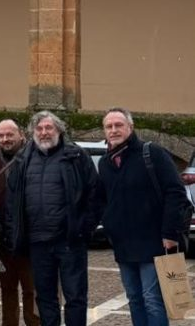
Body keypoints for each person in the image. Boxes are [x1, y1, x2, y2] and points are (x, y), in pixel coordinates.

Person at [5, 111, 102, 326]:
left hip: (69, 241)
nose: (44, 132)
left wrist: (84, 229)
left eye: (49, 128)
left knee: (75, 296)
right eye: (39, 129)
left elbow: (94, 194)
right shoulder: (23, 159)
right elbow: (12, 199)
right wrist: (16, 232)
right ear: (32, 133)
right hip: (38, 242)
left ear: (59, 130)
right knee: (45, 297)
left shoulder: (75, 156)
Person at [97, 107, 191, 326]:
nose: (114, 130)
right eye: (109, 126)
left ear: (130, 127)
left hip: (154, 241)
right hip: (123, 243)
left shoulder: (152, 153)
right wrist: (109, 224)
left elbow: (175, 192)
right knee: (134, 298)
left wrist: (170, 233)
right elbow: (102, 200)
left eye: (118, 125)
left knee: (152, 300)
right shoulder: (105, 163)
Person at [0, 120, 38, 326]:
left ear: (21, 134)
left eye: (9, 135)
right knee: (7, 288)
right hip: (3, 236)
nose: (5, 139)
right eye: (1, 135)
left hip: (30, 236)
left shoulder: (36, 155)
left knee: (32, 289)